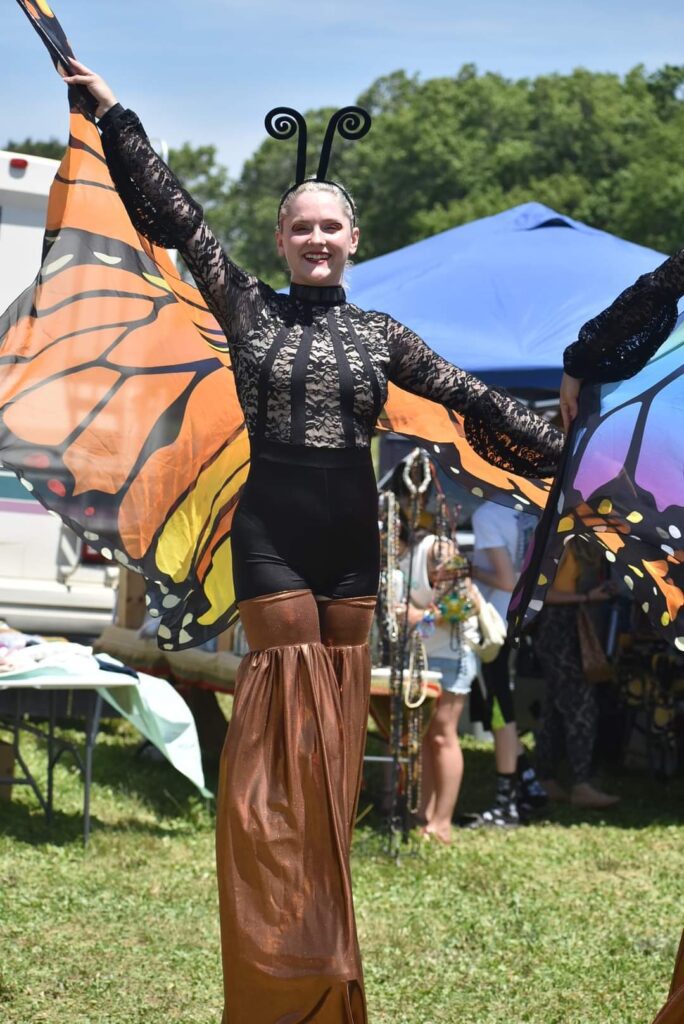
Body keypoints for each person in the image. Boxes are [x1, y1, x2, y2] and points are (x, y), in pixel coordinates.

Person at [41, 51, 679, 1024]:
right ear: (282, 237)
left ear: (353, 236)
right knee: (278, 739)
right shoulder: (244, 305)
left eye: (330, 225)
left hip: (354, 551)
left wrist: (578, 457)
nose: (316, 239)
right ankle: (270, 950)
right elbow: (175, 218)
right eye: (301, 226)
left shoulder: (382, 336)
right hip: (274, 541)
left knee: (335, 744)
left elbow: (472, 398)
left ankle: (321, 955)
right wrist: (114, 115)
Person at [397, 509, 480, 844]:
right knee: (424, 736)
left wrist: (420, 618)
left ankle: (443, 822)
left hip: (451, 655)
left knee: (442, 735)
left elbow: (467, 602)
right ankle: (424, 815)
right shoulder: (394, 559)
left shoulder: (437, 550)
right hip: (420, 657)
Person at [468, 500, 548, 826]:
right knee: (501, 706)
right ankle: (529, 784)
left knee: (499, 710)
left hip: (493, 625)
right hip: (517, 619)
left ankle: (507, 803)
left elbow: (505, 578)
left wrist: (469, 569)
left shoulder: (486, 514)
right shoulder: (526, 511)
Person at [534, 538, 619, 808]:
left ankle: (545, 779)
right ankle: (580, 784)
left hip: (574, 626)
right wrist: (585, 597)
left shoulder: (589, 545)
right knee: (581, 707)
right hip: (556, 628)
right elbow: (540, 593)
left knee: (557, 708)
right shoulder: (562, 543)